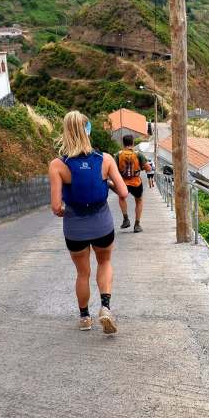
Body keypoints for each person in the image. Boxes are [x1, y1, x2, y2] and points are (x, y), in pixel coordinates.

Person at [49, 111, 128, 334]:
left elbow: (56, 207)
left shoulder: (57, 165)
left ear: (65, 133)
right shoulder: (105, 159)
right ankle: (105, 306)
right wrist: (108, 185)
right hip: (102, 224)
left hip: (75, 228)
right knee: (105, 262)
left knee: (82, 273)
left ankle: (85, 318)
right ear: (88, 130)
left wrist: (68, 212)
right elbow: (123, 192)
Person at [115, 134, 151, 232]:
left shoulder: (118, 155)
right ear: (133, 143)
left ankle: (126, 219)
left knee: (122, 198)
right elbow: (148, 168)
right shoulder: (138, 154)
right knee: (139, 201)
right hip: (136, 182)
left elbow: (114, 170)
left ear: (123, 143)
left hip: (123, 182)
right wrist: (140, 168)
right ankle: (137, 225)